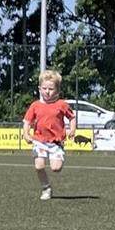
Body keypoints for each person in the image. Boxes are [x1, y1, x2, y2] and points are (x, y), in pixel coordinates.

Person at [23, 69, 77, 200]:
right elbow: (27, 121)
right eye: (44, 88)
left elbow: (72, 117)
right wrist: (26, 134)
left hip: (56, 142)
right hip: (39, 141)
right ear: (39, 88)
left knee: (56, 168)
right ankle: (46, 188)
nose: (47, 91)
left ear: (57, 90)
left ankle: (58, 159)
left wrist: (72, 129)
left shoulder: (62, 105)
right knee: (39, 165)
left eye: (51, 89)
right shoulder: (35, 105)